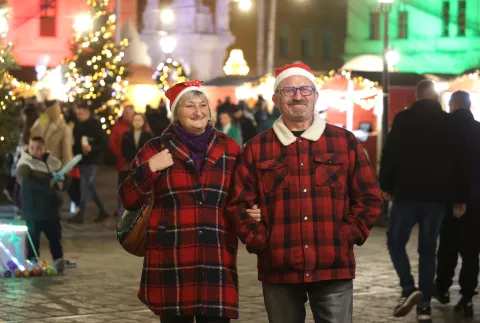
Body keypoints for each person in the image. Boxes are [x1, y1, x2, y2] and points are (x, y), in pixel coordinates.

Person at [227, 62, 382, 323]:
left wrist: (346, 235)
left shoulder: (343, 142)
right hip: (279, 268)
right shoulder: (257, 148)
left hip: (333, 266)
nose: (298, 96)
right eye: (288, 90)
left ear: (315, 96)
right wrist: (262, 242)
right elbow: (238, 204)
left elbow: (369, 197)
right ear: (276, 99)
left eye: (304, 89)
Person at [119, 80, 261, 323]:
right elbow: (129, 199)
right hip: (172, 257)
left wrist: (253, 210)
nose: (198, 112)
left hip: (215, 256)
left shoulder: (229, 148)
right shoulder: (156, 148)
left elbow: (243, 194)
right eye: (190, 106)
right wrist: (150, 168)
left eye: (203, 105)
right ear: (175, 112)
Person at [379, 80, 467, 321]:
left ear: (417, 96)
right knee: (428, 250)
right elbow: (459, 163)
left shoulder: (403, 119)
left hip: (407, 193)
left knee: (395, 242)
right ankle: (425, 305)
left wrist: (386, 185)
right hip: (437, 197)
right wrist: (459, 198)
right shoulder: (450, 123)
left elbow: (391, 152)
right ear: (436, 97)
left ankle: (409, 288)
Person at [435, 90, 480, 318]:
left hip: (451, 197)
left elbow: (450, 165)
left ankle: (442, 287)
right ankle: (467, 294)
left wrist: (457, 199)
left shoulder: (445, 129)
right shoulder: (478, 129)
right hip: (476, 200)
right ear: (469, 106)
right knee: (471, 250)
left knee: (447, 246)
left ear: (452, 105)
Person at [16, 137, 65, 273]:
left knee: (55, 236)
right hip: (33, 208)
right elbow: (25, 183)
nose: (35, 151)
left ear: (44, 149)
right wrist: (48, 183)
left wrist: (62, 182)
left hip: (51, 207)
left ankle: (58, 259)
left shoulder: (53, 162)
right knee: (33, 237)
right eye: (32, 147)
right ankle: (32, 261)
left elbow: (64, 182)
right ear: (28, 148)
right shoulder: (25, 164)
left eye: (38, 148)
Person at [69, 105, 110, 224]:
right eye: (77, 114)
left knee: (85, 186)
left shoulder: (95, 125)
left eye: (81, 113)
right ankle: (102, 211)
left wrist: (92, 148)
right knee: (89, 186)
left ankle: (81, 214)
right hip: (82, 160)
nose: (78, 116)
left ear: (87, 113)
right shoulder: (78, 126)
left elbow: (103, 142)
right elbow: (75, 143)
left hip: (92, 160)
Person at [109, 104, 135, 217]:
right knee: (122, 186)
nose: (128, 115)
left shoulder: (140, 125)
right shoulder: (118, 127)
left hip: (137, 163)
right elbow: (112, 143)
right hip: (123, 163)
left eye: (130, 113)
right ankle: (121, 209)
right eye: (126, 113)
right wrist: (120, 155)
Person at [30, 100, 73, 167]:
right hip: (51, 168)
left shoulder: (38, 123)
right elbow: (67, 155)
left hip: (38, 167)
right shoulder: (63, 128)